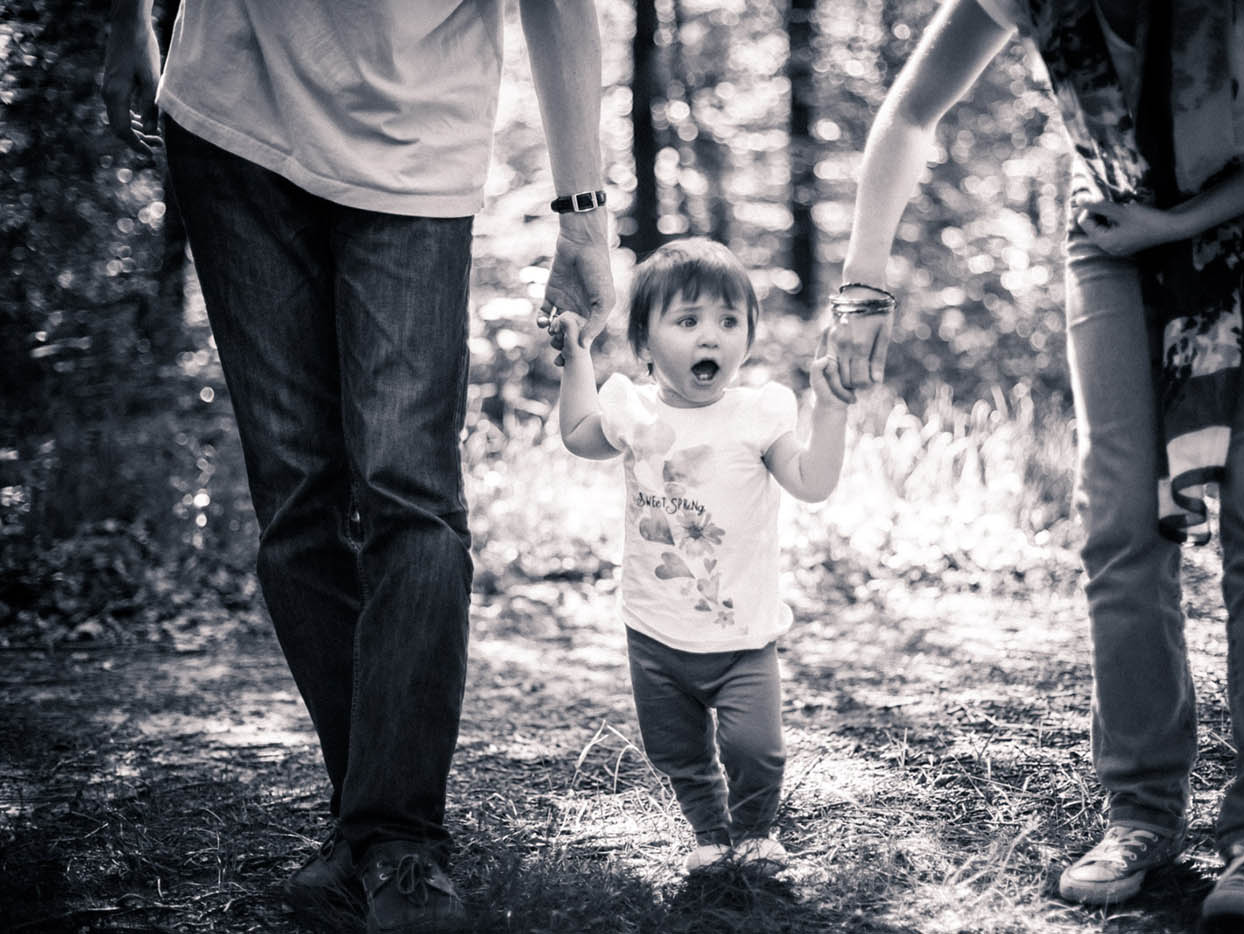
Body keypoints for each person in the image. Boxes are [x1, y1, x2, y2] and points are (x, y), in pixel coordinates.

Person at [831, 0, 1244, 927]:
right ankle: (1140, 812)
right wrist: (862, 285)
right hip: (1122, 226)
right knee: (1120, 518)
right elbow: (912, 111)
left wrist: (1188, 222)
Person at [101, 1, 616, 931]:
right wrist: (127, 19)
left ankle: (397, 839)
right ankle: (373, 827)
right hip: (231, 115)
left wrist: (583, 217)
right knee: (297, 497)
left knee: (409, 493)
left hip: (415, 145)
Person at [546, 237, 850, 875]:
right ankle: (710, 836)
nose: (710, 337)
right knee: (677, 750)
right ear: (646, 342)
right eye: (687, 322)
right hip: (656, 632)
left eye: (728, 322)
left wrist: (832, 411)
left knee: (756, 749)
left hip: (742, 636)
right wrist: (577, 360)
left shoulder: (757, 415)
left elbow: (814, 484)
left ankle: (758, 831)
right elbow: (579, 435)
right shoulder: (631, 409)